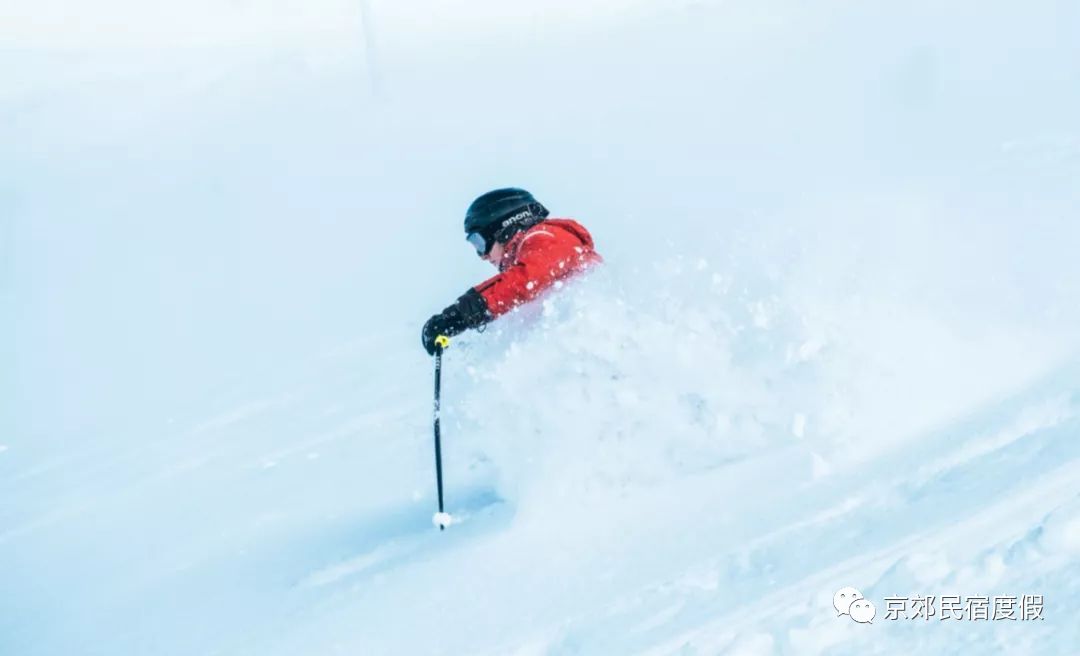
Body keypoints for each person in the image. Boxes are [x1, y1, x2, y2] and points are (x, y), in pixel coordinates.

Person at [421, 188, 602, 354]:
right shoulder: (532, 255)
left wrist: (461, 314)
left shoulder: (546, 236)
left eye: (480, 243)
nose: (482, 256)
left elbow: (524, 281)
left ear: (502, 228)